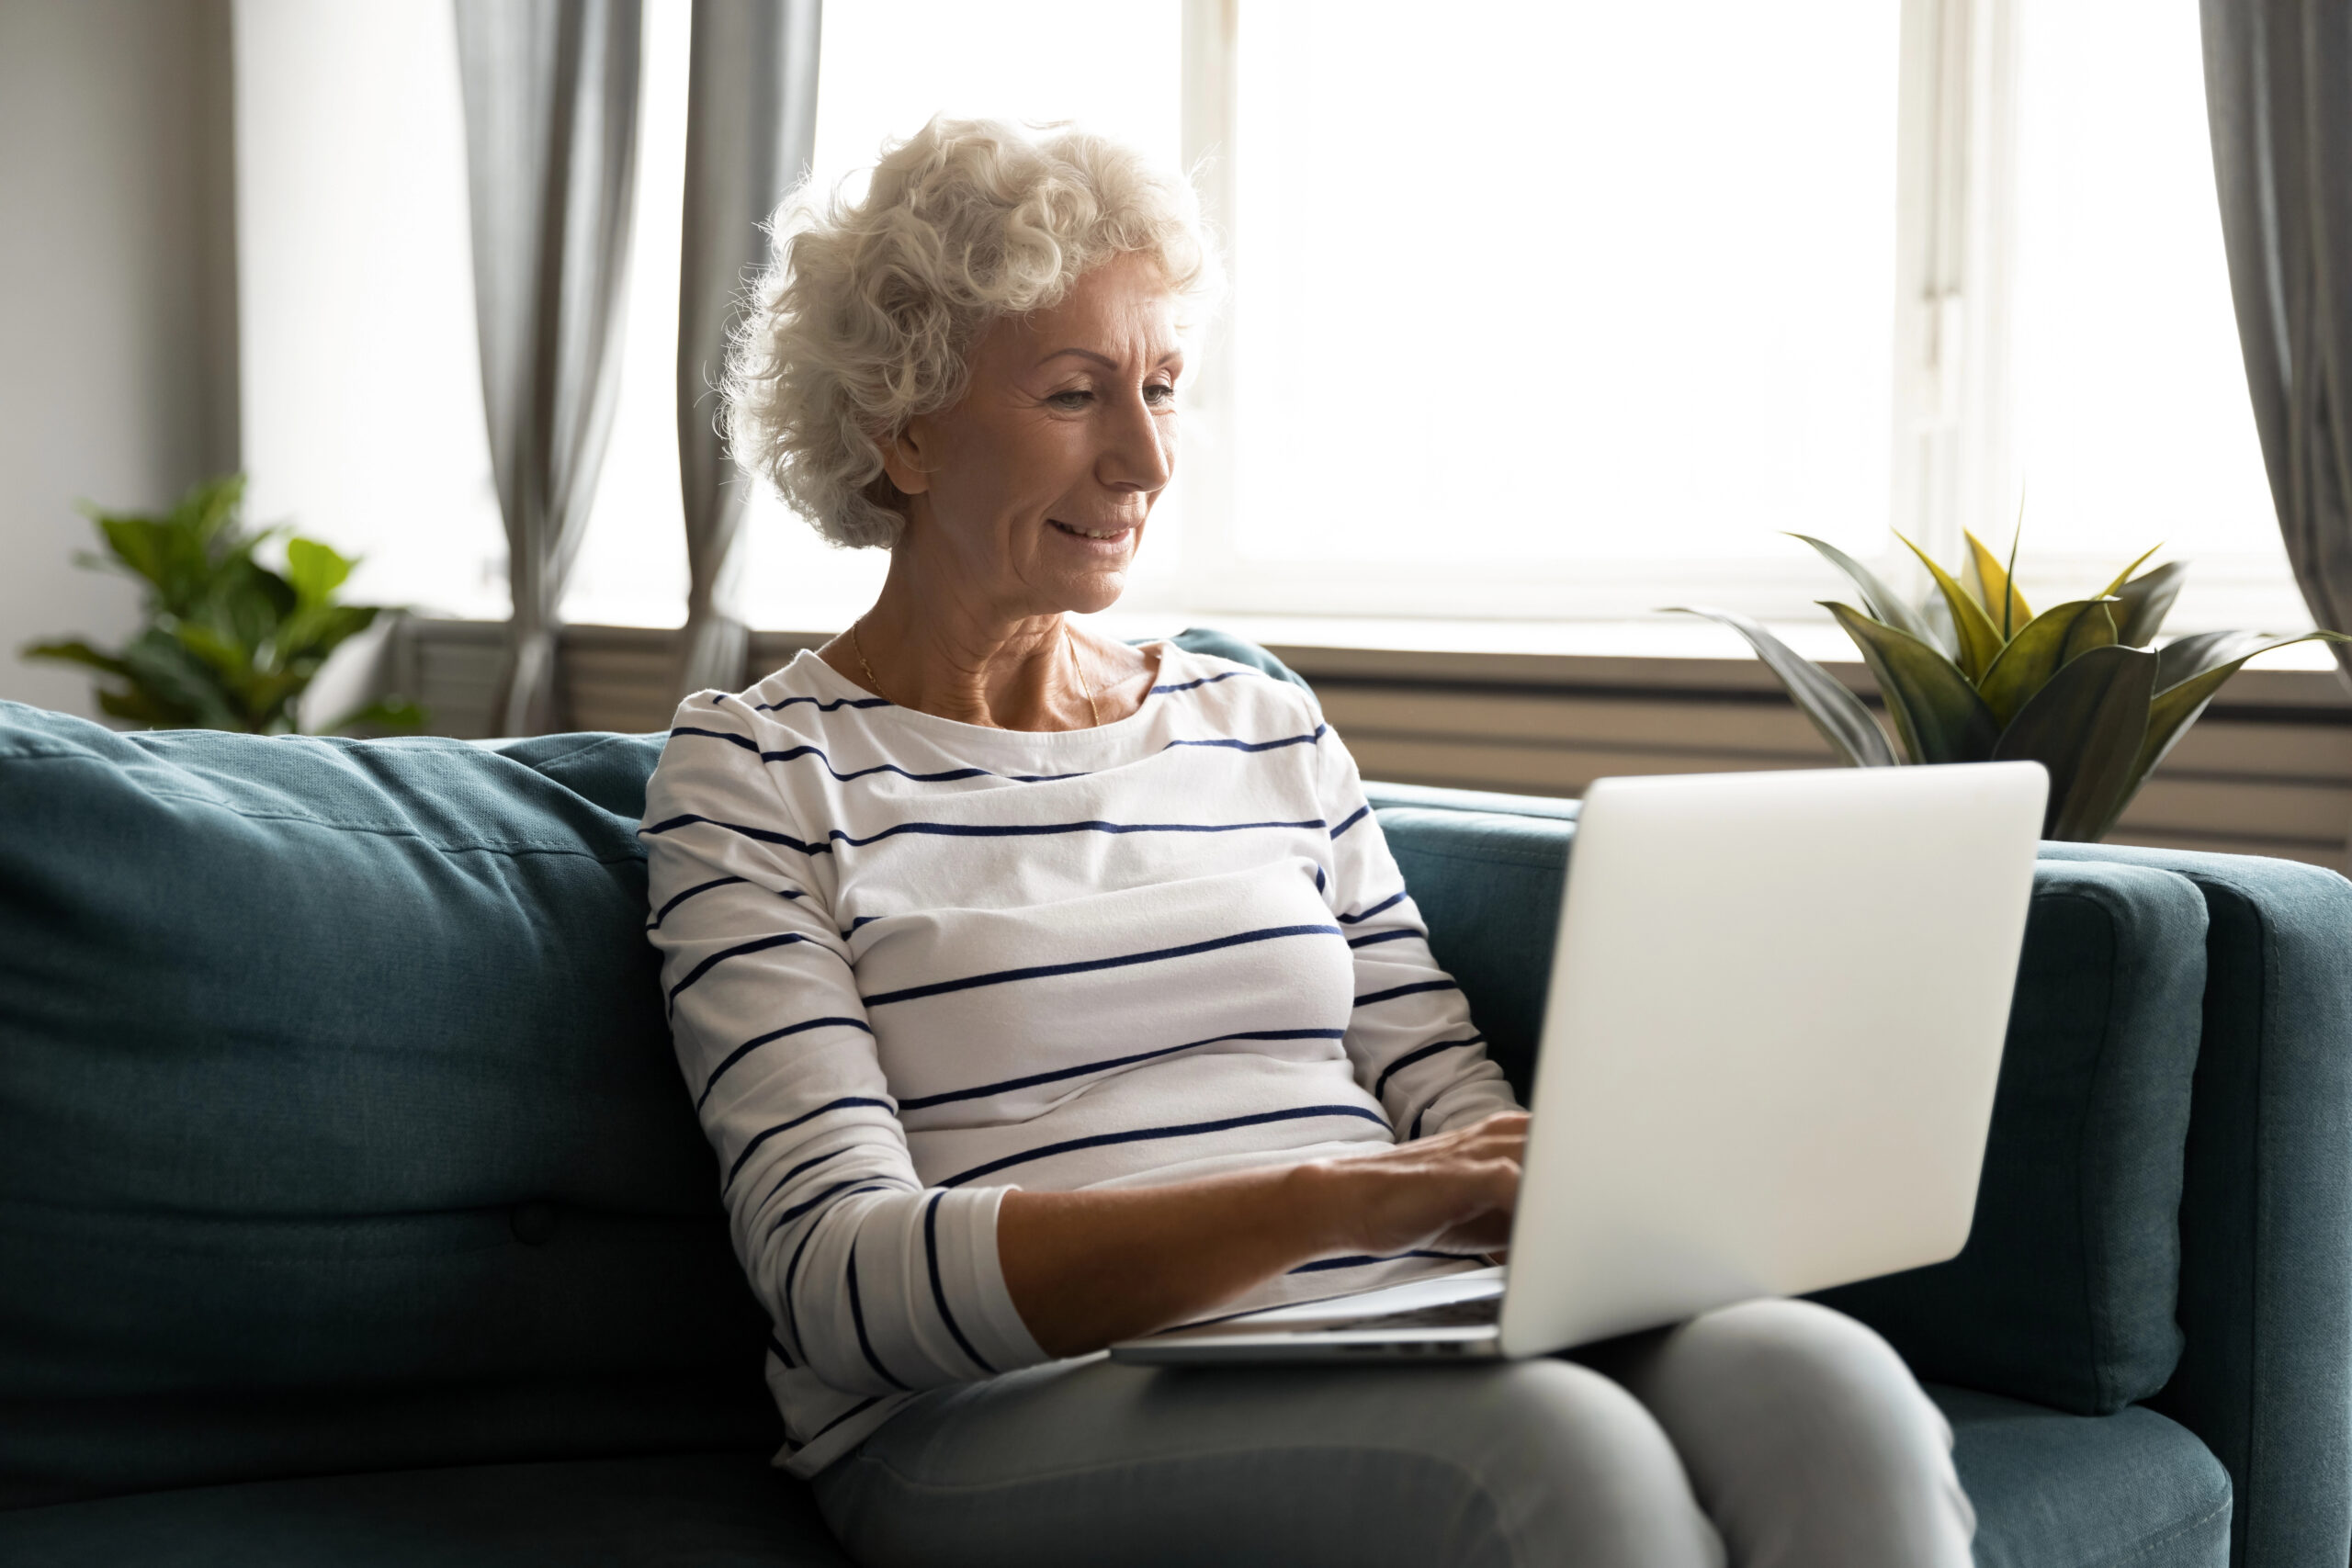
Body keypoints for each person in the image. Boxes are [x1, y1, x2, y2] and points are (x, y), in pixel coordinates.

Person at [641, 116, 1975, 1567]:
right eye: (1077, 393)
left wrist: (1596, 1180)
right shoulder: (759, 771)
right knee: (1562, 1456)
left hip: (1381, 1314)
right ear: (901, 425)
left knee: (1829, 1386)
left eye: (1161, 388)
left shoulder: (1257, 720)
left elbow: (1443, 1097)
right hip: (1000, 1398)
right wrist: (1333, 1207)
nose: (1145, 457)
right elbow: (843, 1281)